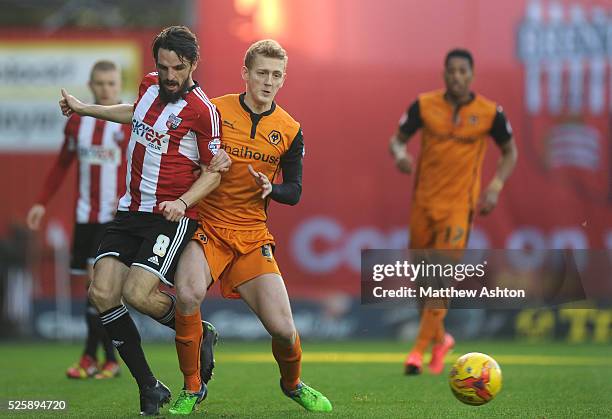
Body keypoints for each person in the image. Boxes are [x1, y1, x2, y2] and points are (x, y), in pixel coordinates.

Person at [59, 26, 230, 415]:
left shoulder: (203, 111)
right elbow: (133, 115)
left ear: (193, 65)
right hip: (129, 211)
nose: (170, 75)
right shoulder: (149, 85)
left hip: (169, 216)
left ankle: (198, 333)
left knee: (137, 293)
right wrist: (85, 107)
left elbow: (214, 170)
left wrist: (183, 201)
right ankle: (149, 386)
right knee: (100, 292)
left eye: (178, 68)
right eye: (164, 65)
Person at [164, 39, 332, 415]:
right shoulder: (214, 111)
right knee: (188, 294)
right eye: (261, 73)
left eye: (275, 75)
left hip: (252, 234)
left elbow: (296, 191)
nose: (268, 81)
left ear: (283, 79)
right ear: (245, 74)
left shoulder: (289, 129)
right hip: (208, 226)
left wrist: (274, 188)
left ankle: (292, 384)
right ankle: (192, 387)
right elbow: (181, 154)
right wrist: (198, 170)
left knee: (285, 331)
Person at [388, 49, 518, 375]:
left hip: (459, 207)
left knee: (439, 277)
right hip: (423, 204)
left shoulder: (490, 113)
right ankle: (442, 339)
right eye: (451, 71)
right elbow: (397, 140)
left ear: (472, 74)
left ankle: (416, 352)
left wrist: (496, 186)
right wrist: (400, 155)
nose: (457, 76)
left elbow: (509, 151)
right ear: (444, 74)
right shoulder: (424, 105)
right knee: (422, 281)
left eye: (463, 71)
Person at [27, 60, 129, 380]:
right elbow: (62, 163)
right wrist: (42, 202)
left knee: (97, 287)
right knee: (97, 291)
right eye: (99, 83)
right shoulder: (77, 124)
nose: (105, 89)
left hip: (115, 218)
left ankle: (90, 357)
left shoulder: (129, 123)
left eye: (111, 83)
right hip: (85, 216)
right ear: (91, 85)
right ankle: (109, 361)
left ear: (118, 85)